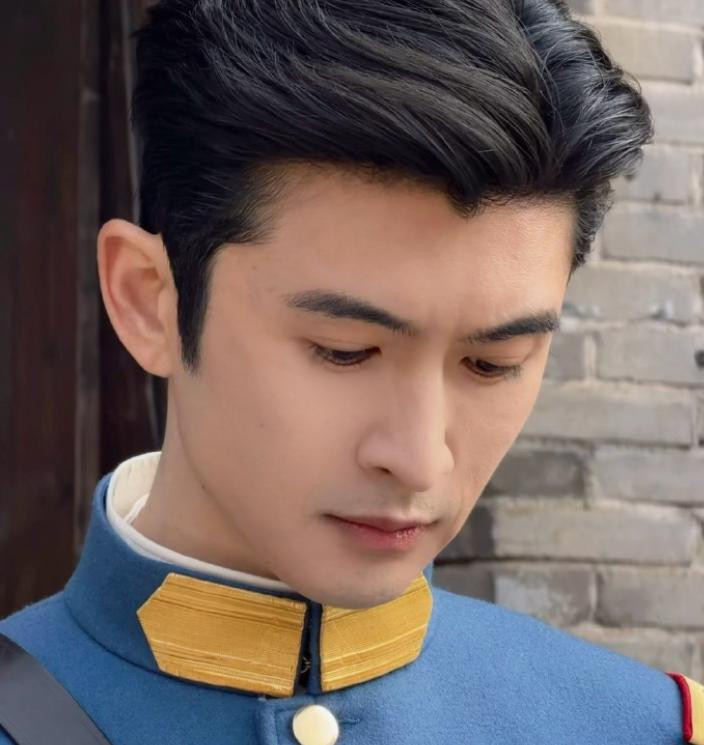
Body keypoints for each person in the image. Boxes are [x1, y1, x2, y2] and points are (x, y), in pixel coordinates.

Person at [1, 0, 702, 743]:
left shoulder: (638, 725)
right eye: (344, 350)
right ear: (150, 302)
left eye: (492, 364)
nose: (418, 459)